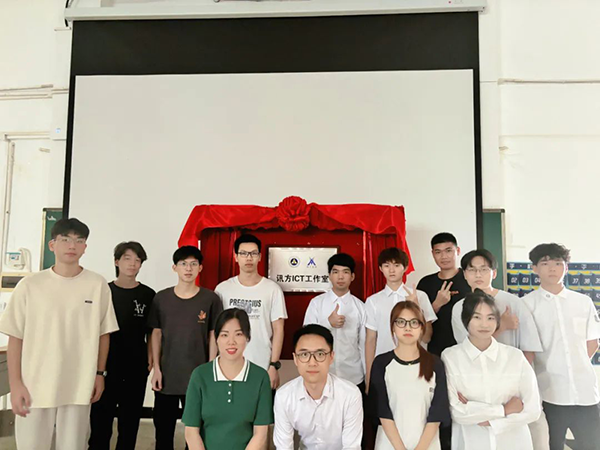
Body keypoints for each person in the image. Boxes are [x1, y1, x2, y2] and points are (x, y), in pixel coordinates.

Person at [0, 218, 119, 450]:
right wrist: (16, 384)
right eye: (65, 239)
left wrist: (99, 374)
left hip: (79, 385)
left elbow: (104, 334)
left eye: (79, 240)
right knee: (31, 446)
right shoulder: (30, 285)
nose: (72, 245)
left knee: (73, 445)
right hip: (34, 384)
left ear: (85, 247)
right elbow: (16, 337)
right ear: (52, 245)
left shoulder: (97, 284)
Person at [522, 243, 600, 450]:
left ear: (566, 267)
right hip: (549, 392)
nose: (552, 268)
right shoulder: (527, 304)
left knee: (591, 445)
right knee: (551, 445)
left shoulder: (583, 302)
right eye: (545, 263)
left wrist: (575, 364)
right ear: (534, 268)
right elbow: (527, 351)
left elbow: (592, 342)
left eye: (558, 263)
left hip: (585, 391)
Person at [442, 291, 541, 450]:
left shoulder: (515, 357)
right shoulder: (451, 357)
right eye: (477, 317)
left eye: (490, 318)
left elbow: (532, 409)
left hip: (513, 442)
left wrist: (487, 419)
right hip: (471, 442)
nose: (484, 324)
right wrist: (504, 410)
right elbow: (457, 412)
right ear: (466, 320)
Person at [148, 246, 223, 450]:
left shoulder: (210, 299)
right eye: (183, 264)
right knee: (163, 431)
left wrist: (211, 370)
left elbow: (213, 335)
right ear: (175, 268)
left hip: (198, 376)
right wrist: (156, 369)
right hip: (167, 376)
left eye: (193, 264)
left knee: (196, 432)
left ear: (200, 268)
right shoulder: (161, 298)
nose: (188, 269)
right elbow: (156, 333)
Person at [89, 241, 156, 450]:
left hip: (136, 366)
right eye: (127, 258)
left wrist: (151, 359)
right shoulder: (104, 291)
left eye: (137, 260)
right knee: (101, 420)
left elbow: (152, 331)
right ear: (117, 261)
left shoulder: (148, 295)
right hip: (106, 365)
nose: (132, 264)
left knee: (130, 422)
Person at [182, 308, 273, 450]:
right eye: (224, 335)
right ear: (216, 339)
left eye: (238, 334)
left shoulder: (260, 377)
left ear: (247, 337)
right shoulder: (200, 375)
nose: (231, 342)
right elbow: (191, 432)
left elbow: (260, 434)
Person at [369, 301, 450, 450]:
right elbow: (382, 411)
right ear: (393, 327)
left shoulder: (435, 364)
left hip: (428, 444)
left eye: (414, 322)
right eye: (401, 322)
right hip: (389, 444)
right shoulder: (381, 363)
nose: (407, 327)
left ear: (421, 327)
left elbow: (437, 411)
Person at [274, 324, 364, 449]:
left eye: (320, 354)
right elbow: (283, 446)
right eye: (304, 355)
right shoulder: (284, 396)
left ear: (331, 357)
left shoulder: (350, 394)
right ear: (295, 359)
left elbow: (351, 447)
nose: (312, 362)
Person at [215, 234, 287, 389]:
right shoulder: (223, 289)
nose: (249, 258)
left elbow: (278, 329)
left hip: (262, 365)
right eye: (243, 253)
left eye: (253, 253)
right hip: (227, 366)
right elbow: (215, 329)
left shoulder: (272, 289)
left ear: (259, 257)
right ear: (235, 257)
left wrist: (274, 365)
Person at [451, 249, 542, 362]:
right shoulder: (459, 307)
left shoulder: (514, 302)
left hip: (510, 366)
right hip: (475, 367)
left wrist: (521, 371)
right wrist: (502, 326)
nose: (478, 275)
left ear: (494, 273)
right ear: (465, 274)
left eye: (484, 269)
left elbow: (529, 346)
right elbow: (469, 347)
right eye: (472, 270)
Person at [365, 247, 437, 389]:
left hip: (416, 365)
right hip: (384, 366)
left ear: (405, 268)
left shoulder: (420, 296)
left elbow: (427, 337)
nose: (391, 270)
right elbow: (370, 340)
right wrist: (369, 375)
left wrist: (417, 307)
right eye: (387, 265)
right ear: (380, 268)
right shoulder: (373, 301)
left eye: (397, 265)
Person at [304, 253, 366, 388]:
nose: (340, 277)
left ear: (352, 276)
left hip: (353, 377)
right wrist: (328, 324)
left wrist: (368, 377)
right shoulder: (316, 303)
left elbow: (364, 345)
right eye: (336, 272)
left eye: (345, 272)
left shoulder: (360, 307)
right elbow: (306, 338)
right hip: (322, 375)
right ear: (329, 275)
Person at [417, 232, 471, 357]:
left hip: (467, 349)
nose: (444, 256)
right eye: (438, 252)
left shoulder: (470, 279)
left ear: (458, 251)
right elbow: (417, 321)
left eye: (448, 251)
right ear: (433, 254)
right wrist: (436, 305)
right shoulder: (425, 283)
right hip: (436, 351)